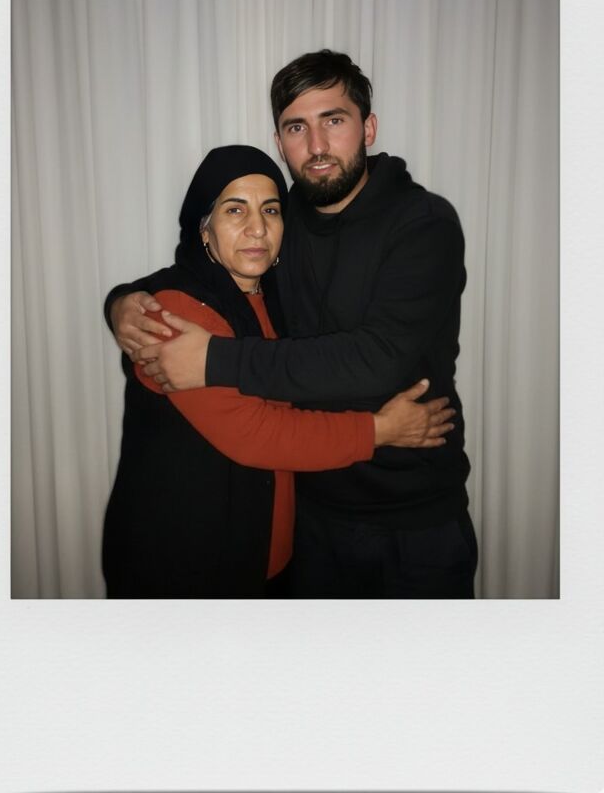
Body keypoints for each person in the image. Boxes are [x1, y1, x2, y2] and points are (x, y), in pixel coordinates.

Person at [109, 49, 476, 598]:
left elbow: (376, 361)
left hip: (412, 520)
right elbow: (190, 274)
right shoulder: (284, 223)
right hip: (311, 513)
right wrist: (120, 304)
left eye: (334, 120)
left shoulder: (422, 224)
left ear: (368, 128)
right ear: (281, 143)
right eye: (297, 127)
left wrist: (212, 360)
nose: (317, 145)